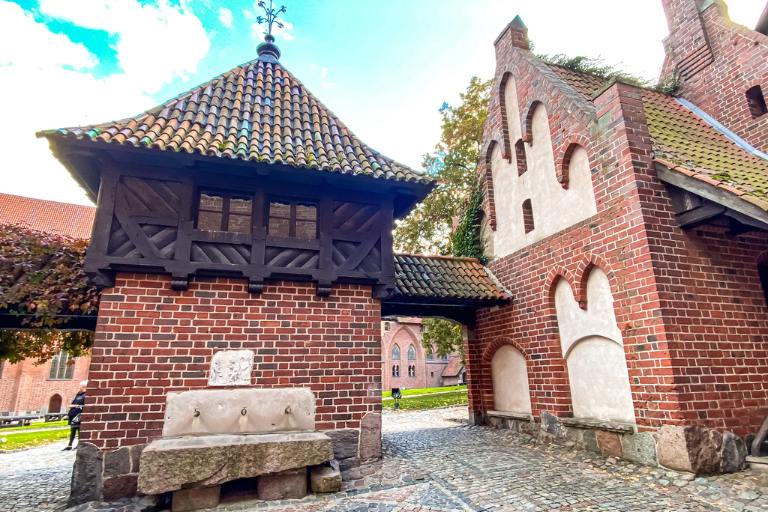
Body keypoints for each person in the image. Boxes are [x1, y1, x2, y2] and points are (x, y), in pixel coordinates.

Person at [63, 381, 87, 451]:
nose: (79, 387)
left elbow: (84, 405)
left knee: (79, 431)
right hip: (73, 414)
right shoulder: (78, 395)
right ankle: (69, 445)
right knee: (72, 431)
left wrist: (77, 406)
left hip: (79, 415)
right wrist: (74, 406)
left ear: (84, 387)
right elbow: (71, 404)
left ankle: (79, 445)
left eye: (80, 386)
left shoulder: (85, 395)